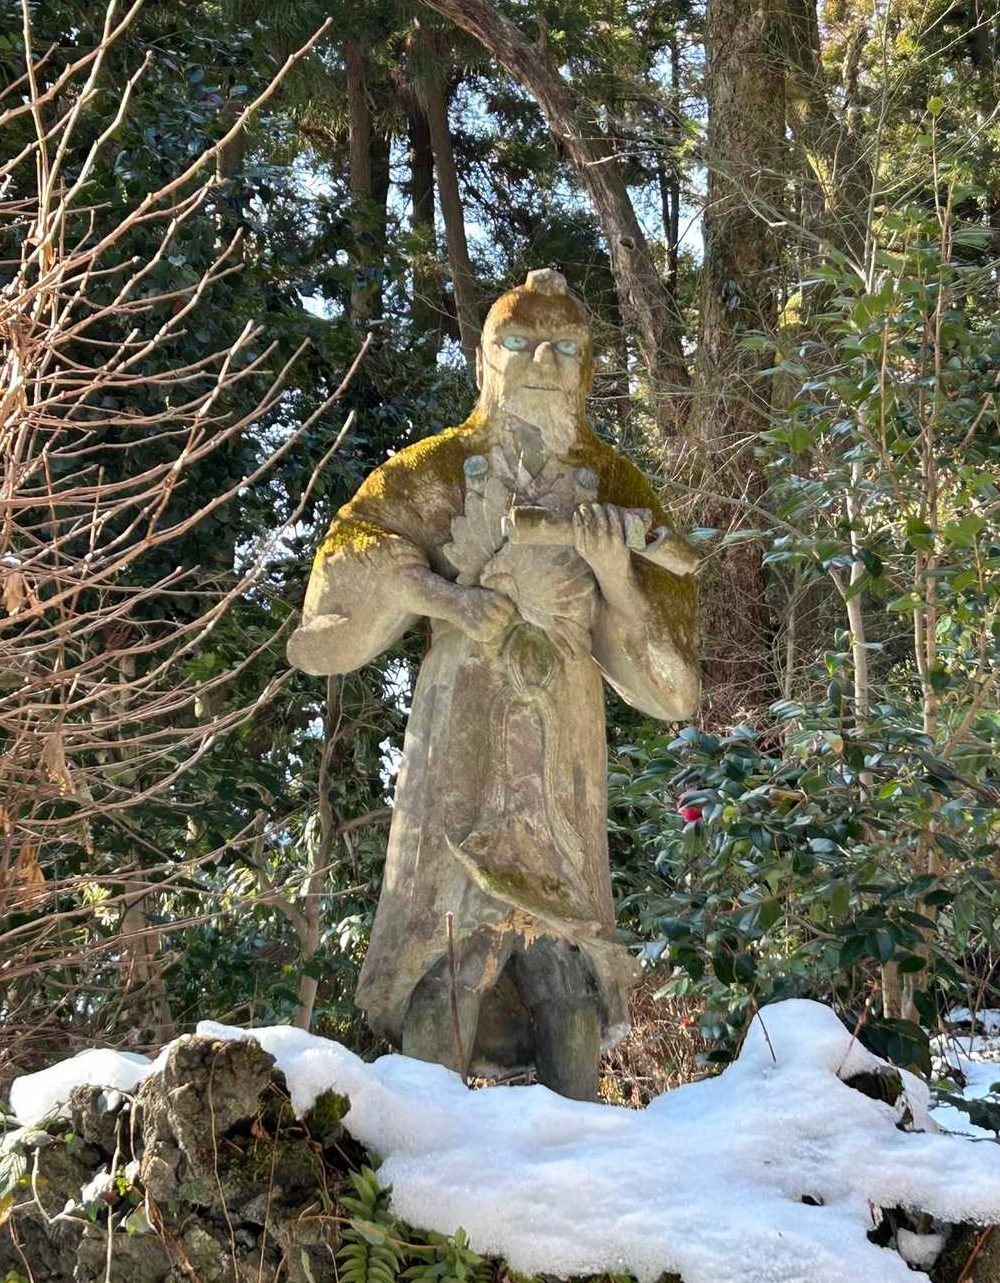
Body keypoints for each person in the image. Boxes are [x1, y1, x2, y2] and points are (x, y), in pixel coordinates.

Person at [288, 269, 698, 1098]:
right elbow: (337, 588)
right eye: (520, 343)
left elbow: (673, 692)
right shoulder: (436, 470)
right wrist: (444, 596)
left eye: (565, 349)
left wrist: (615, 576)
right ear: (484, 362)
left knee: (567, 980)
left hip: (560, 752)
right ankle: (424, 1149)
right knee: (446, 968)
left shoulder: (618, 486)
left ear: (588, 368)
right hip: (461, 738)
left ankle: (577, 1155)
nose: (543, 363)